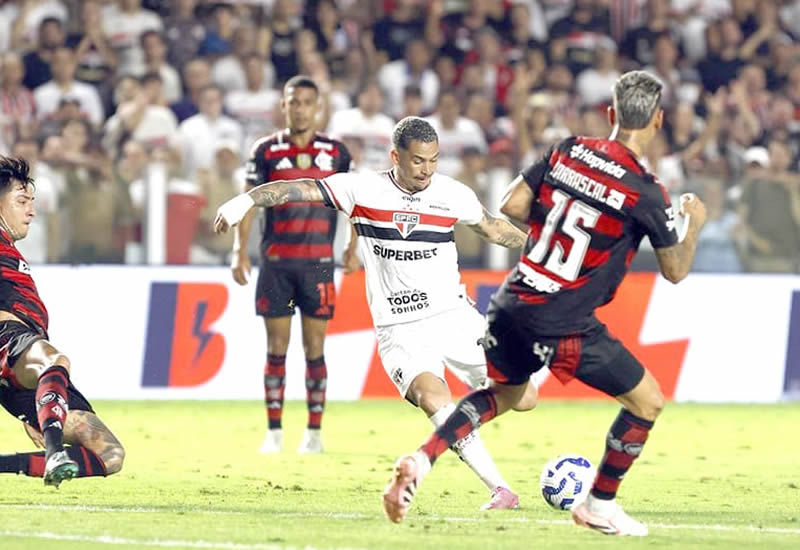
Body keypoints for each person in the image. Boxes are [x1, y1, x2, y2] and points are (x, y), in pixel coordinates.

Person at [379, 71, 708, 535]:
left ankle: (422, 459)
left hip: (513, 300)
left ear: (611, 113)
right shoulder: (646, 189)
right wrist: (693, 224)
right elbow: (674, 270)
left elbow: (513, 204)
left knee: (505, 395)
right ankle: (598, 505)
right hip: (564, 316)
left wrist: (558, 224)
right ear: (658, 121)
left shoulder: (568, 150)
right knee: (647, 401)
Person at [215, 116, 539, 510]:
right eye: (418, 161)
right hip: (399, 328)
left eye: (433, 160)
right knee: (432, 397)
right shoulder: (361, 189)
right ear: (395, 157)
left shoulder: (453, 194)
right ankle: (500, 489)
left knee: (525, 398)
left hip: (453, 316)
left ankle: (464, 421)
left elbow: (494, 228)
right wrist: (246, 200)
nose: (427, 170)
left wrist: (543, 250)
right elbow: (295, 189)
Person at [231, 75, 355, 455]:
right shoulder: (265, 151)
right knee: (276, 348)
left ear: (318, 108)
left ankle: (314, 433)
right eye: (293, 102)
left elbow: (353, 201)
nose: (300, 109)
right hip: (276, 264)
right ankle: (274, 433)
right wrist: (239, 249)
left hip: (319, 264)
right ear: (283, 106)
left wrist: (351, 246)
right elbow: (249, 201)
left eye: (306, 102)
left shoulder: (337, 153)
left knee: (315, 348)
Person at [0, 156, 125, 486]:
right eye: (22, 201)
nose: (31, 211)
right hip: (9, 340)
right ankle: (55, 452)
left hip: (22, 368)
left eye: (33, 202)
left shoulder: (10, 250)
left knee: (110, 454)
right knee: (55, 360)